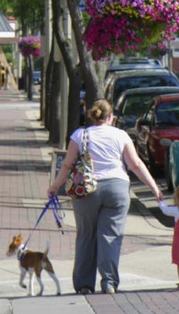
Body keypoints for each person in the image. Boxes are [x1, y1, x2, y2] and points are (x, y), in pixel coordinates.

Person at [47, 98, 163, 295]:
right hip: (117, 188)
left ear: (94, 116)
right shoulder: (121, 135)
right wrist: (154, 188)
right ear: (111, 117)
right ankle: (109, 282)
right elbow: (135, 164)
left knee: (86, 235)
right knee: (111, 236)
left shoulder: (80, 135)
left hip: (86, 190)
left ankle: (84, 284)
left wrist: (55, 186)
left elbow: (67, 164)